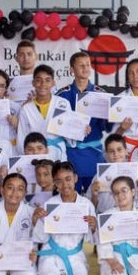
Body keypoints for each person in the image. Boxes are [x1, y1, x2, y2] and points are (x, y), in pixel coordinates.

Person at [33, 161, 97, 275]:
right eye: (59, 181)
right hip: (51, 255)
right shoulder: (50, 204)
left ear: (75, 178)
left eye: (68, 179)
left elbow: (90, 240)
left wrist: (93, 226)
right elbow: (40, 237)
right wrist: (39, 219)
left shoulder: (86, 205)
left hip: (75, 255)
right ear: (55, 184)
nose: (64, 185)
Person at [55, 51, 109, 195]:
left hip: (94, 154)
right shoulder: (62, 95)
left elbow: (107, 127)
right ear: (72, 70)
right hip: (71, 154)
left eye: (88, 65)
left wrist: (114, 118)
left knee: (97, 196)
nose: (85, 68)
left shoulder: (101, 95)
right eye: (81, 65)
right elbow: (56, 124)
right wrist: (73, 129)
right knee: (70, 196)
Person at [16, 65, 71, 160]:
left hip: (57, 153)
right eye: (39, 80)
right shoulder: (26, 109)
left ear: (53, 83)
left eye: (47, 80)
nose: (43, 84)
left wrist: (80, 129)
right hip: (35, 154)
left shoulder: (63, 103)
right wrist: (25, 161)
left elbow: (69, 131)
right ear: (33, 83)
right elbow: (22, 139)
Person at [113, 58, 138, 161]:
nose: (135, 76)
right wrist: (122, 128)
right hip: (127, 151)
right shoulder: (120, 99)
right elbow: (114, 136)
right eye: (131, 73)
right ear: (127, 77)